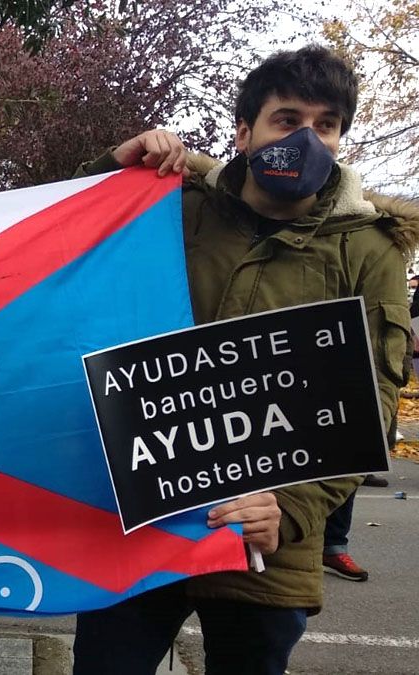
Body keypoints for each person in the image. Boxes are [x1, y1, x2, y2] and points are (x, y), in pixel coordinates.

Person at [71, 46, 416, 674]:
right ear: (245, 131)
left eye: (327, 124)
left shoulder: (369, 250)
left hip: (266, 548)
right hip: (139, 524)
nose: (308, 139)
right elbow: (61, 261)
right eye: (287, 121)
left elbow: (371, 406)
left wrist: (287, 512)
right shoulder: (169, 207)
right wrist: (108, 172)